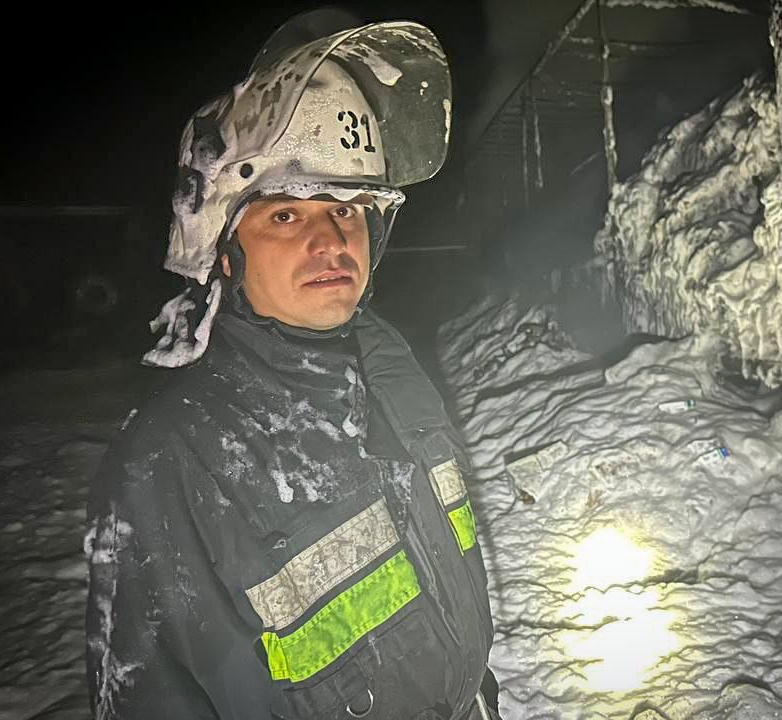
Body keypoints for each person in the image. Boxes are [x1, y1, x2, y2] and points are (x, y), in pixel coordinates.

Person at [84, 12, 498, 720]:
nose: (333, 239)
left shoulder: (392, 371)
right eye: (286, 215)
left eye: (351, 210)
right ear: (222, 249)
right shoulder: (168, 462)